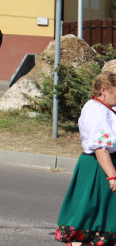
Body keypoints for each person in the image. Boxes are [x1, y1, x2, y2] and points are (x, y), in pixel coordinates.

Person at [55, 72, 116, 245]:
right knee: (91, 220)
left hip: (102, 166)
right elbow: (100, 147)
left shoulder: (107, 107)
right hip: (99, 168)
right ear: (104, 90)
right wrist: (112, 175)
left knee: (99, 223)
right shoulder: (96, 110)